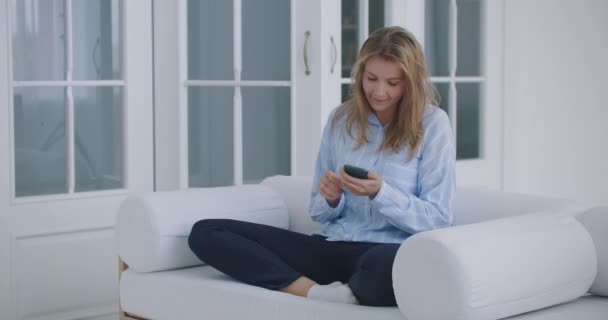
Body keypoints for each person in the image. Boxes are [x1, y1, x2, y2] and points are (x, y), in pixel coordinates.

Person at [187, 26, 455, 307]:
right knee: (206, 232)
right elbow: (317, 211)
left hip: (384, 252)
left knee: (386, 267)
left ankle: (347, 287)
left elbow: (439, 218)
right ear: (360, 74)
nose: (378, 92)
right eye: (371, 78)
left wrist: (381, 193)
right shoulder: (341, 120)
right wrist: (331, 198)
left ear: (410, 82)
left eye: (392, 83)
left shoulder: (433, 124)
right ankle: (312, 291)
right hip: (330, 246)